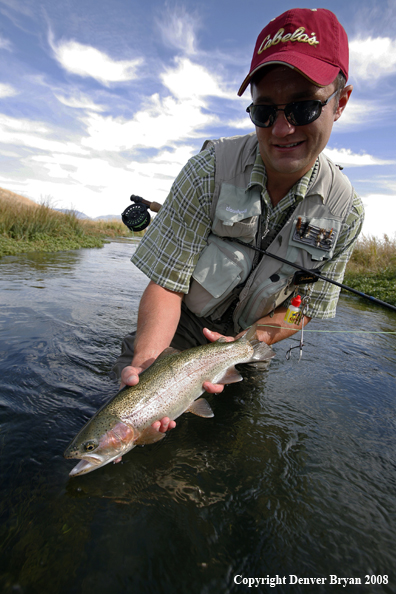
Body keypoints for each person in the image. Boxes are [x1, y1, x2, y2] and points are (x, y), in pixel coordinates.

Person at [113, 8, 364, 433]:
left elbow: (303, 308)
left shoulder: (345, 213)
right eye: (265, 112)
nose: (282, 129)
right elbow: (167, 282)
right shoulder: (208, 169)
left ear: (340, 102)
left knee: (234, 443)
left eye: (303, 108)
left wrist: (251, 343)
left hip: (250, 349)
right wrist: (149, 369)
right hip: (176, 335)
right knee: (131, 430)